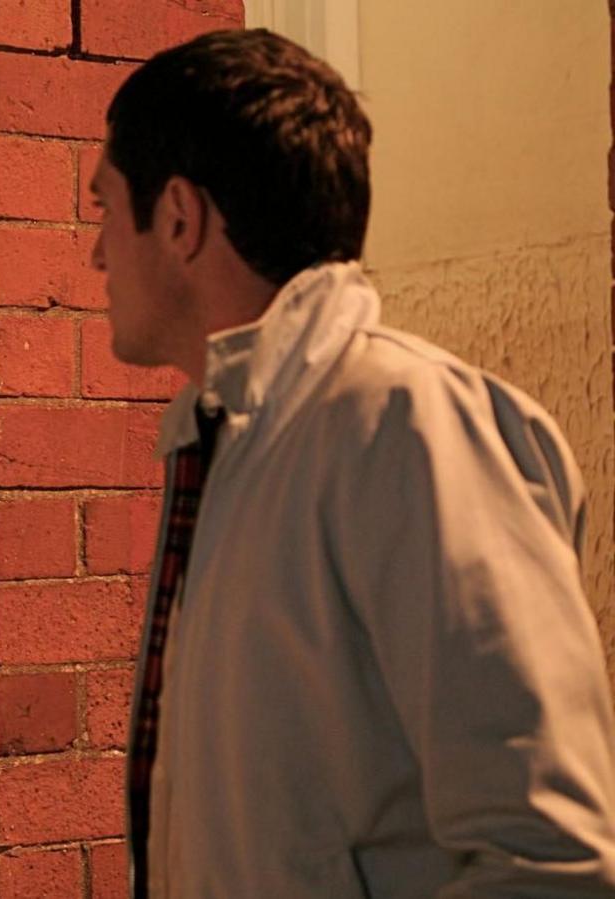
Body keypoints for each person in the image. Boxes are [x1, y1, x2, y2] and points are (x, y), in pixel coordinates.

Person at [87, 29, 615, 897]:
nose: (98, 252)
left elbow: (552, 859)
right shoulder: (232, 435)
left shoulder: (406, 428)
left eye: (104, 208)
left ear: (178, 218)